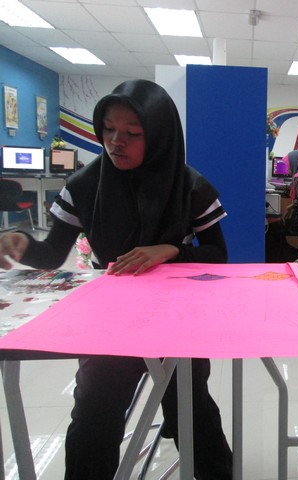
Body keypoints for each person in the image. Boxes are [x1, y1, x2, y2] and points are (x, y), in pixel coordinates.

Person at [0, 79, 233, 479]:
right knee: (94, 411)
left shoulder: (189, 185)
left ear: (158, 136)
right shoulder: (85, 185)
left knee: (190, 408)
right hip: (110, 317)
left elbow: (218, 256)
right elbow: (52, 254)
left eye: (132, 133)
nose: (115, 142)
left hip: (174, 314)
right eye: (108, 129)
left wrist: (170, 249)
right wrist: (24, 245)